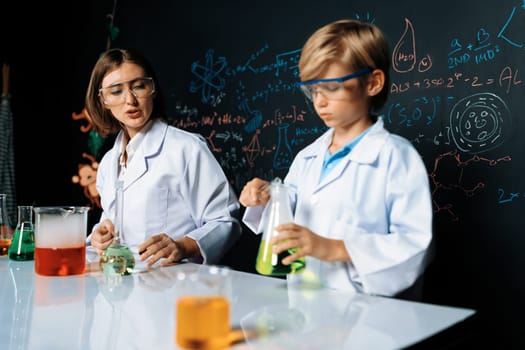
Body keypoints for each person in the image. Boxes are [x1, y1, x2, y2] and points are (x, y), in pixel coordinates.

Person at [240, 19, 433, 299]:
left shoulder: (396, 157)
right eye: (313, 90)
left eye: (331, 87)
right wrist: (271, 197)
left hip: (370, 322)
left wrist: (334, 248)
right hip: (306, 305)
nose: (319, 101)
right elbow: (292, 215)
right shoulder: (308, 157)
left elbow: (415, 247)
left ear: (373, 82)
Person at [84, 48, 241, 267]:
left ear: (152, 88)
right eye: (116, 91)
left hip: (174, 283)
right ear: (103, 101)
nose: (130, 100)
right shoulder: (109, 163)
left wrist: (182, 246)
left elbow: (225, 221)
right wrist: (101, 236)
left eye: (139, 86)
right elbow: (112, 220)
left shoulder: (186, 148)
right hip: (121, 285)